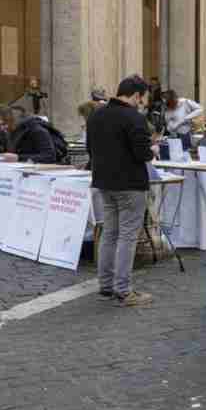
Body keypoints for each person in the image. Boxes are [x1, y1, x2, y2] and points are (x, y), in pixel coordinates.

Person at [86, 75, 156, 307]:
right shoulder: (134, 118)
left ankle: (106, 285)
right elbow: (142, 154)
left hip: (104, 182)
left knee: (109, 234)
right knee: (127, 236)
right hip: (130, 185)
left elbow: (89, 149)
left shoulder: (96, 115)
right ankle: (124, 291)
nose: (141, 103)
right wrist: (153, 149)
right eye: (141, 98)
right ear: (136, 95)